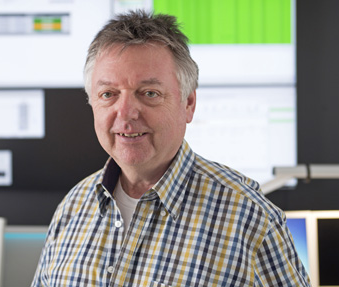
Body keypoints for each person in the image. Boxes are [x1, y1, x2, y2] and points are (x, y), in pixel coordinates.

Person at [32, 10, 311, 287]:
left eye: (149, 93)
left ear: (188, 104)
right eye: (108, 94)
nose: (126, 113)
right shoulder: (73, 207)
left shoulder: (249, 218)